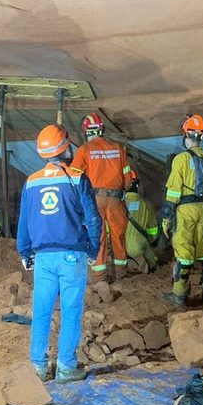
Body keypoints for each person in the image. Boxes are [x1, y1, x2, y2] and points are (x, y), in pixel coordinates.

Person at [17, 124, 102, 383]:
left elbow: (24, 221)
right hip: (72, 256)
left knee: (41, 311)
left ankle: (38, 368)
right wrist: (93, 248)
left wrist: (25, 251)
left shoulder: (31, 182)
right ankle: (66, 366)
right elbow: (94, 220)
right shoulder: (77, 178)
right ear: (67, 147)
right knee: (70, 311)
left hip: (43, 258)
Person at [160, 114, 203, 308]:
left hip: (185, 209)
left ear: (186, 135)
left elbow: (173, 192)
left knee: (184, 252)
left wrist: (166, 219)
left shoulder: (181, 159)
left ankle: (180, 295)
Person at [71, 113, 133, 282]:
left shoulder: (84, 150)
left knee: (97, 235)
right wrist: (122, 191)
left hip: (95, 199)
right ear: (102, 129)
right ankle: (121, 273)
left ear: (86, 131)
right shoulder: (118, 148)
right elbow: (128, 178)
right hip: (116, 199)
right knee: (118, 236)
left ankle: (99, 277)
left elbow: (74, 178)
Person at [124, 171, 159, 273]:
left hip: (121, 250)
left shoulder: (118, 204)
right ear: (138, 185)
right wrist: (153, 240)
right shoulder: (146, 204)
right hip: (139, 247)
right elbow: (153, 228)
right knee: (152, 260)